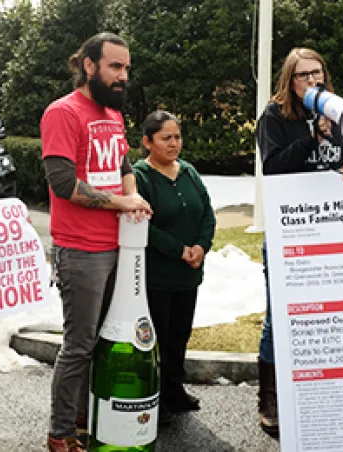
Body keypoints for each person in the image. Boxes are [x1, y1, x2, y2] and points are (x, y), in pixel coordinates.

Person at [41, 32, 153, 452]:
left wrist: (133, 196)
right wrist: (122, 202)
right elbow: (63, 183)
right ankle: (60, 433)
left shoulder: (112, 113)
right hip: (81, 250)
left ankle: (85, 418)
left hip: (118, 245)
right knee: (80, 345)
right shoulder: (63, 113)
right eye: (115, 67)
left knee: (106, 339)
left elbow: (123, 164)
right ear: (89, 66)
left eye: (126, 68)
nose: (123, 76)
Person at [254, 47, 343, 435]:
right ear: (290, 79)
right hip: (290, 230)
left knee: (329, 315)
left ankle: (319, 392)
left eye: (318, 72)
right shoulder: (275, 117)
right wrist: (312, 139)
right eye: (304, 75)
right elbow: (273, 167)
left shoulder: (339, 111)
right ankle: (270, 398)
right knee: (280, 317)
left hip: (332, 229)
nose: (313, 80)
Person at [132, 111, 216, 421]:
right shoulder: (141, 176)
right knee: (158, 340)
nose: (173, 143)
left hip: (188, 275)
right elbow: (145, 227)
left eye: (177, 137)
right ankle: (154, 399)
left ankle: (174, 390)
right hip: (158, 277)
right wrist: (179, 250)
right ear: (147, 142)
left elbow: (207, 213)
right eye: (165, 138)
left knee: (180, 335)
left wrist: (201, 246)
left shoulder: (189, 171)